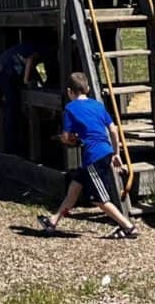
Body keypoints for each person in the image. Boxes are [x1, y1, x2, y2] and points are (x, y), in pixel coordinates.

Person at [37, 72, 139, 238]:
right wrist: (116, 153)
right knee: (75, 186)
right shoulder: (98, 105)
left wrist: (66, 140)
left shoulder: (70, 109)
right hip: (105, 150)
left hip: (93, 156)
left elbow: (67, 137)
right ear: (88, 89)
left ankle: (128, 227)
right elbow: (113, 130)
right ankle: (53, 221)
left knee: (99, 199)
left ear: (69, 92)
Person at [0, 41, 50, 153]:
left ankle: (13, 144)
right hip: (7, 71)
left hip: (3, 68)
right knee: (12, 108)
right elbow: (30, 61)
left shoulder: (28, 47)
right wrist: (26, 80)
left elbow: (32, 68)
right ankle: (10, 148)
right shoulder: (42, 49)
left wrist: (41, 83)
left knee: (12, 108)